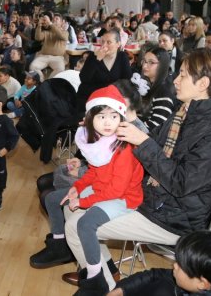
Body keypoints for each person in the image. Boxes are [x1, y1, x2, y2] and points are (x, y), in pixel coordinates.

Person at [63, 48, 211, 291]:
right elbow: (150, 143)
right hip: (154, 199)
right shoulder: (186, 112)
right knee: (71, 206)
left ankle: (106, 288)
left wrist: (142, 141)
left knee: (76, 226)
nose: (175, 80)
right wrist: (98, 131)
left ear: (203, 83)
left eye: (182, 75)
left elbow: (180, 183)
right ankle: (105, 269)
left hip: (174, 218)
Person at [30, 85, 144, 296]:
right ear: (91, 119)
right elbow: (93, 172)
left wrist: (84, 201)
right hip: (103, 189)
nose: (108, 122)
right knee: (54, 199)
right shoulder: (101, 140)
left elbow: (116, 190)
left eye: (113, 116)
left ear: (121, 118)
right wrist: (77, 187)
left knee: (85, 224)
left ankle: (94, 278)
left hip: (123, 199)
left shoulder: (124, 147)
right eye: (101, 116)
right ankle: (59, 244)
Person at [108, 230, 211, 296]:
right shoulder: (210, 274)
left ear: (202, 283)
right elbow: (155, 274)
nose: (174, 265)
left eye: (181, 265)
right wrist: (123, 290)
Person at [76, 29, 132, 114]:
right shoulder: (93, 56)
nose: (104, 45)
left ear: (118, 44)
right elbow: (84, 78)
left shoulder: (122, 57)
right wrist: (97, 59)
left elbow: (127, 80)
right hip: (91, 97)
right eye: (102, 42)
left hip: (112, 97)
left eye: (109, 42)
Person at [135, 47, 177, 131]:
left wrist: (132, 124)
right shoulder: (146, 84)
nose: (145, 66)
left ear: (162, 65)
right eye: (144, 61)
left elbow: (156, 127)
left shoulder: (164, 92)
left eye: (151, 62)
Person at [29, 13, 68, 80]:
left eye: (57, 19)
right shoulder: (47, 31)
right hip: (44, 56)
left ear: (61, 22)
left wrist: (50, 24)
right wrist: (39, 25)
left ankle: (49, 82)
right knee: (32, 67)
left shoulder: (64, 32)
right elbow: (38, 38)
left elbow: (63, 37)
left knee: (60, 69)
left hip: (57, 57)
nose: (54, 20)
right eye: (53, 19)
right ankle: (41, 81)